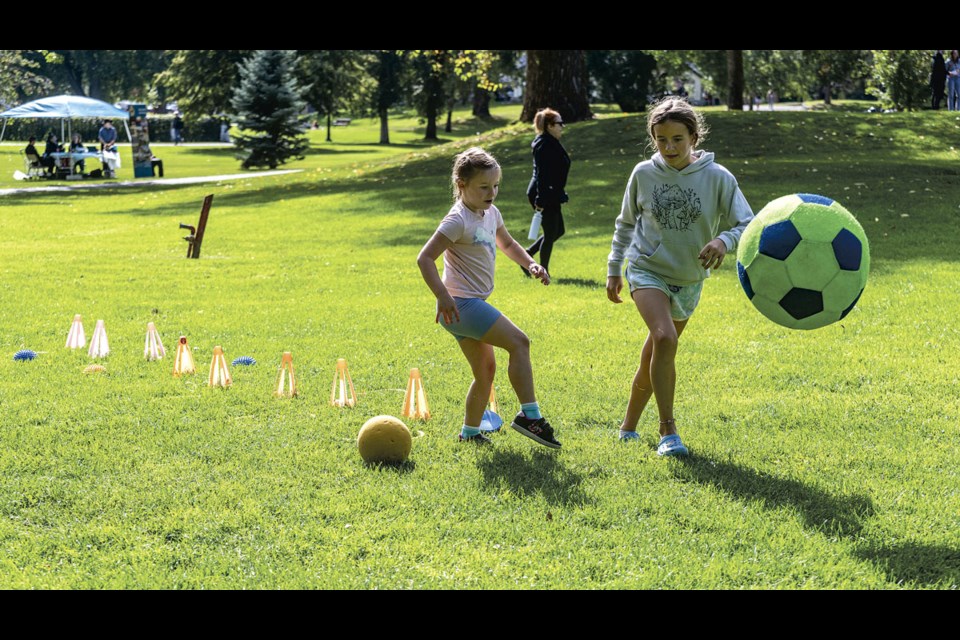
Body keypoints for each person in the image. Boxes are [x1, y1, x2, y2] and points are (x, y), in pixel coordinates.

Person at [606, 97, 754, 456]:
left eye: (677, 139)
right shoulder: (643, 173)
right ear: (652, 138)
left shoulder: (718, 178)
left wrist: (723, 239)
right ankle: (667, 431)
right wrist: (614, 268)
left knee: (656, 354)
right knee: (664, 338)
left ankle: (627, 427)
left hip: (689, 280)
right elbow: (626, 224)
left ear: (694, 137)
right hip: (647, 269)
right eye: (660, 139)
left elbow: (747, 222)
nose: (668, 147)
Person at [417, 147, 561, 448]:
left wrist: (530, 263)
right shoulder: (458, 220)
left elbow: (506, 242)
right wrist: (442, 296)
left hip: (464, 308)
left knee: (485, 372)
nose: (491, 192)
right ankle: (530, 416)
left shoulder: (490, 213)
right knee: (520, 342)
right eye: (484, 187)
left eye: (495, 185)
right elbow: (425, 259)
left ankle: (469, 432)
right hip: (461, 305)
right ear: (462, 185)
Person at [524, 107, 571, 278]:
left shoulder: (550, 141)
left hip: (550, 193)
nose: (562, 126)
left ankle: (527, 255)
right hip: (543, 194)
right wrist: (541, 200)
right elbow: (543, 175)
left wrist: (559, 192)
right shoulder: (544, 144)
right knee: (551, 232)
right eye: (559, 123)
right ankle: (542, 271)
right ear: (550, 126)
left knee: (558, 230)